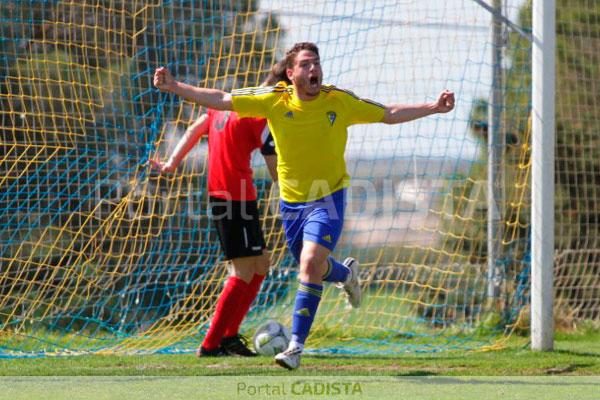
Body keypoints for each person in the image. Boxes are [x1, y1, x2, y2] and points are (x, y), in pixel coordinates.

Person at [153, 42, 455, 369]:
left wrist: (433, 107)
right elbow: (221, 99)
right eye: (306, 65)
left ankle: (295, 347)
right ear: (291, 73)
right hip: (292, 205)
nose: (314, 70)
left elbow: (388, 113)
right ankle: (345, 274)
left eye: (317, 64)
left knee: (308, 263)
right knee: (312, 266)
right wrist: (174, 87)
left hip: (329, 196)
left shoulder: (337, 100)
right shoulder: (273, 100)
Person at [150, 61, 289, 357]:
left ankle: (229, 336)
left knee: (261, 264)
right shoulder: (261, 116)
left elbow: (195, 128)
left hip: (229, 196)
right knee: (241, 272)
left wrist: (172, 162)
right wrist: (291, 191)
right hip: (234, 197)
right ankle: (211, 344)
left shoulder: (226, 104)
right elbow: (274, 166)